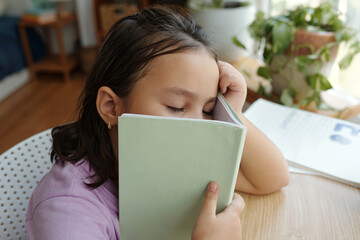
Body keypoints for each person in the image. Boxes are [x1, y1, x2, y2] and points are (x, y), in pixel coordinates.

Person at [26, 5, 289, 239]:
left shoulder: (173, 159)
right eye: (176, 107)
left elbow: (272, 178)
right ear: (111, 106)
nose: (199, 127)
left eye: (208, 110)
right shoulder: (67, 210)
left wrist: (233, 112)